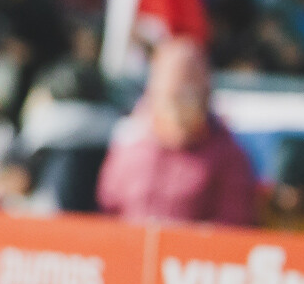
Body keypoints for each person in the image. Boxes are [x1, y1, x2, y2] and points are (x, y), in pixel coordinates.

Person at [97, 36, 256, 225]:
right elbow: (108, 209)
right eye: (170, 97)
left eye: (187, 96)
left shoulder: (228, 155)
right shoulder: (130, 148)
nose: (178, 109)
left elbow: (234, 223)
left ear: (205, 98)